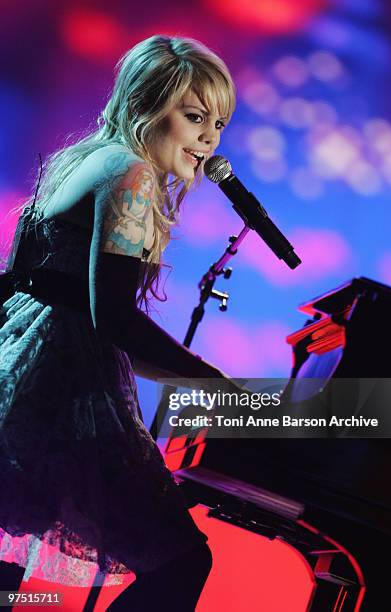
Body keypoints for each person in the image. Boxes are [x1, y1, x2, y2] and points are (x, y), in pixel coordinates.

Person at [0, 35, 236, 610]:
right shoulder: (130, 172)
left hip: (25, 375)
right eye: (195, 116)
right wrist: (213, 385)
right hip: (59, 387)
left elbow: (20, 280)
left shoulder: (82, 158)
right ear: (148, 105)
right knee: (180, 561)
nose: (210, 138)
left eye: (220, 123)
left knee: (5, 560)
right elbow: (113, 321)